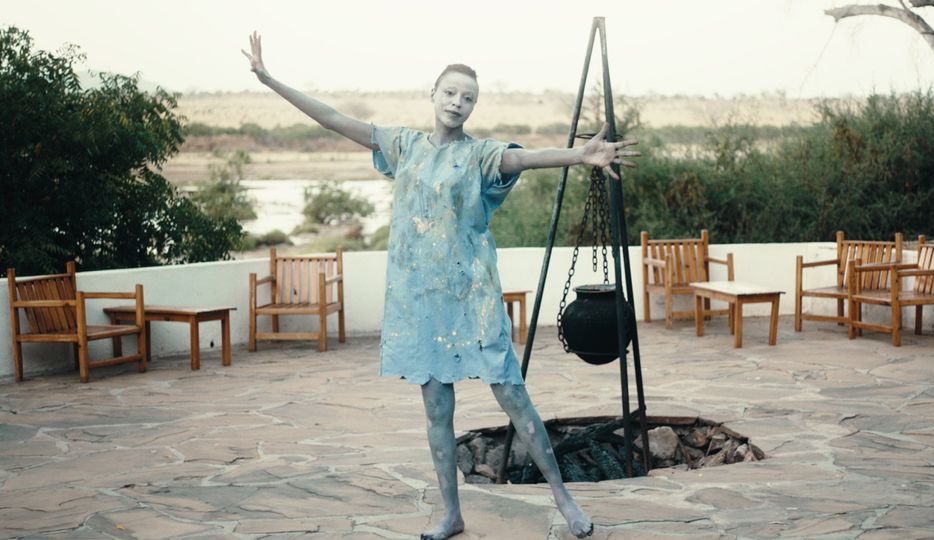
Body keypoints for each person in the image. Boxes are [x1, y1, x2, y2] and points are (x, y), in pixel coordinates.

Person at [243, 32, 639, 540]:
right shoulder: (403, 146)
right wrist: (269, 79)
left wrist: (578, 156)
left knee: (514, 397)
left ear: (474, 106)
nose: (457, 103)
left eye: (467, 97)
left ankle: (564, 498)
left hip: (473, 299)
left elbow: (523, 159)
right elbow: (334, 119)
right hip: (421, 304)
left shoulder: (479, 156)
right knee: (437, 411)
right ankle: (451, 513)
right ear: (433, 94)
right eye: (450, 93)